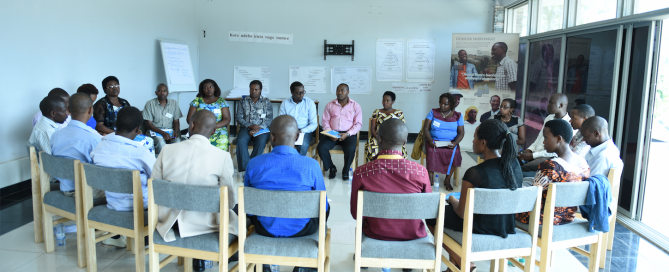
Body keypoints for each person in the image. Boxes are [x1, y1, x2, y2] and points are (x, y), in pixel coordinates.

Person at [426, 119, 522, 272]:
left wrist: (451, 199)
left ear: (483, 142)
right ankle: (455, 266)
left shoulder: (475, 173)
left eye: (475, 137)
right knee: (449, 214)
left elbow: (462, 213)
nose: (472, 140)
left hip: (479, 227)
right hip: (505, 224)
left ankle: (462, 261)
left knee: (432, 215)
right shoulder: (515, 166)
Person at [152, 110, 237, 272]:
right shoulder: (222, 156)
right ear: (213, 131)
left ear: (191, 125)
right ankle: (215, 255)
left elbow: (155, 188)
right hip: (205, 225)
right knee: (238, 212)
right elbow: (229, 202)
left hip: (170, 223)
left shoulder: (167, 150)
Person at [244, 115, 328, 272]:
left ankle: (264, 264)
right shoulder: (312, 165)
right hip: (302, 229)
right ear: (297, 137)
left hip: (265, 228)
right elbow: (323, 207)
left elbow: (248, 208)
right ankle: (304, 266)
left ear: (271, 137)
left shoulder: (254, 164)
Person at [353, 119, 430, 240]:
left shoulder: (362, 172)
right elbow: (427, 210)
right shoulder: (420, 172)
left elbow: (356, 213)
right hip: (412, 234)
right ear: (405, 143)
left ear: (379, 139)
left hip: (375, 234)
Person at [90, 106, 155, 247]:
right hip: (142, 207)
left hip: (113, 204)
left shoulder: (99, 148)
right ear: (138, 129)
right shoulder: (140, 152)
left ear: (115, 124)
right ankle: (149, 236)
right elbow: (157, 177)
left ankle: (119, 236)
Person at [516, 119, 590, 225]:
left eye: (546, 137)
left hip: (540, 218)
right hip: (568, 217)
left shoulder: (550, 166)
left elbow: (532, 196)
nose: (543, 141)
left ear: (559, 138)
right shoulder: (584, 165)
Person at [50, 93, 103, 197]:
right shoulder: (93, 138)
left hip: (65, 188)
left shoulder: (55, 135)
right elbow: (101, 172)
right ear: (90, 110)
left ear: (68, 110)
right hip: (87, 192)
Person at [518, 93, 574, 172]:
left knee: (521, 169)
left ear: (560, 105)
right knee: (514, 161)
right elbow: (539, 138)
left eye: (551, 103)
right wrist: (529, 150)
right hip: (536, 154)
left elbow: (557, 151)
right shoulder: (549, 117)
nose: (547, 105)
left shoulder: (569, 125)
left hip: (549, 156)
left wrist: (532, 156)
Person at [318, 83, 363, 180]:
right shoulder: (330, 105)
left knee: (351, 149)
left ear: (348, 92)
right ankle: (332, 168)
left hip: (348, 133)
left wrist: (347, 134)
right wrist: (330, 133)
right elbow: (325, 121)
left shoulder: (355, 106)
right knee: (321, 147)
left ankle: (346, 170)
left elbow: (358, 124)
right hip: (332, 132)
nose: (340, 92)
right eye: (338, 90)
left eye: (342, 90)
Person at [422, 93, 464, 191]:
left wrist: (455, 143)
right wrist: (430, 140)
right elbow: (426, 129)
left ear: (451, 105)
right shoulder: (433, 112)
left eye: (445, 104)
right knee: (432, 151)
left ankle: (447, 180)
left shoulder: (458, 115)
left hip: (451, 142)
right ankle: (431, 180)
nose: (442, 106)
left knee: (456, 153)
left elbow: (461, 132)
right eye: (441, 103)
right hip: (434, 141)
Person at [235, 80, 273, 172]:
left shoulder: (266, 102)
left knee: (261, 142)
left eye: (256, 89)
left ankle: (253, 168)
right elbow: (239, 117)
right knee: (240, 141)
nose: (253, 91)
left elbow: (269, 119)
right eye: (251, 89)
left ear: (260, 90)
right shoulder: (243, 101)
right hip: (246, 128)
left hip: (262, 129)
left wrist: (258, 128)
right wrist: (250, 126)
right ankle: (244, 170)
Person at [187, 79, 231, 151]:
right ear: (203, 90)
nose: (209, 89)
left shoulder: (221, 102)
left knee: (222, 143)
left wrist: (213, 126)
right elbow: (189, 119)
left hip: (218, 129)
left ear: (214, 88)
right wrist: (200, 126)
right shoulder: (196, 101)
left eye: (211, 87)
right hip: (200, 129)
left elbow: (227, 119)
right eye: (206, 88)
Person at [364, 91, 406, 162]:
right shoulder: (377, 112)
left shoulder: (399, 113)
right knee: (372, 147)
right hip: (378, 137)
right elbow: (372, 128)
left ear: (393, 101)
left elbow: (402, 129)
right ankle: (374, 167)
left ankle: (395, 168)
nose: (385, 102)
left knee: (399, 148)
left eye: (387, 101)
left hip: (394, 138)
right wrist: (378, 138)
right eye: (383, 100)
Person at [278, 81, 317, 156]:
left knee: (302, 145)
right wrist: (288, 130)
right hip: (289, 130)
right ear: (292, 92)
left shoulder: (309, 103)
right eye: (298, 93)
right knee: (282, 145)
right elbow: (281, 121)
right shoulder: (285, 103)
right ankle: (285, 164)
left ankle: (298, 165)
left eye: (303, 92)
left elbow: (314, 124)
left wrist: (302, 131)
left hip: (304, 131)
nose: (301, 95)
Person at [143, 83, 183, 154]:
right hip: (155, 132)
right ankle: (162, 163)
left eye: (164, 91)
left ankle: (175, 163)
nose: (162, 93)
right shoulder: (149, 104)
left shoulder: (174, 103)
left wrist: (176, 131)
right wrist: (162, 133)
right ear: (156, 93)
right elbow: (149, 124)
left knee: (178, 141)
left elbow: (176, 121)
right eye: (159, 91)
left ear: (167, 92)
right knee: (160, 142)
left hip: (170, 132)